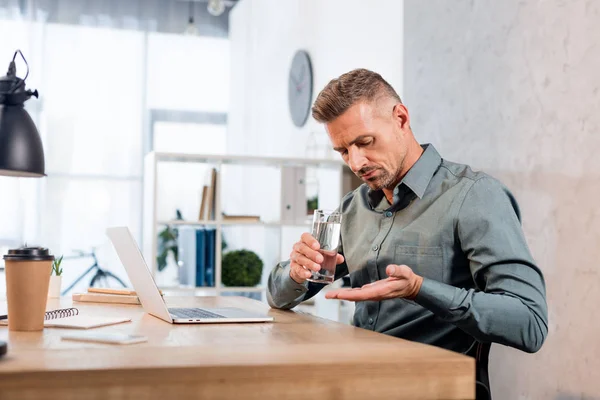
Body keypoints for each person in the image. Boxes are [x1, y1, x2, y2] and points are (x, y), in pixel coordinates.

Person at [267, 68, 548, 358]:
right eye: (343, 151)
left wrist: (419, 289)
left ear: (401, 118)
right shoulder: (353, 208)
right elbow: (277, 296)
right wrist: (297, 273)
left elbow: (530, 322)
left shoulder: (474, 196)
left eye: (365, 142)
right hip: (358, 378)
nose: (355, 162)